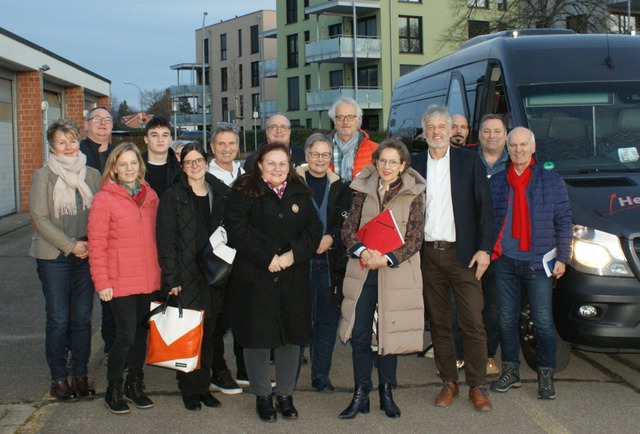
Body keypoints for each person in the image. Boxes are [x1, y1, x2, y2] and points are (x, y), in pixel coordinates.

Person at [225, 143, 322, 422]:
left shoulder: (300, 191)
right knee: (257, 339)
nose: (277, 169)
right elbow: (237, 230)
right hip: (256, 277)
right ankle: (263, 396)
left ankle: (285, 395)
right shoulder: (243, 190)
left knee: (291, 338)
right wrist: (268, 257)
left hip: (292, 277)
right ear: (259, 164)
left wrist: (293, 255)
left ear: (290, 165)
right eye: (271, 163)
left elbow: (314, 229)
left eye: (283, 163)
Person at [411, 105, 494, 412]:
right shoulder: (414, 164)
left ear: (450, 130)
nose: (436, 132)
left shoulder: (469, 161)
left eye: (441, 127)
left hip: (465, 256)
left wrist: (485, 248)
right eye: (430, 127)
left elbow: (485, 208)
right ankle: (448, 381)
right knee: (440, 323)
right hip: (428, 255)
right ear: (424, 131)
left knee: (473, 321)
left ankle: (478, 385)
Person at [338, 138, 425, 419]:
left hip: (394, 273)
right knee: (361, 334)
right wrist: (363, 253)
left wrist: (385, 259)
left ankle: (386, 393)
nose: (386, 166)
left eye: (393, 162)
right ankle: (360, 393)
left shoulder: (414, 194)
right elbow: (348, 229)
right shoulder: (362, 189)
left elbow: (414, 239)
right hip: (363, 273)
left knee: (389, 334)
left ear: (403, 166)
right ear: (375, 162)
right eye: (382, 160)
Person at [489, 127, 572, 400]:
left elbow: (563, 222)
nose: (518, 149)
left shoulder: (552, 181)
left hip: (539, 264)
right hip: (505, 262)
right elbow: (488, 222)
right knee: (506, 320)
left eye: (523, 144)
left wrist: (563, 257)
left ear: (533, 148)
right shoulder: (498, 182)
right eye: (513, 145)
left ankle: (545, 375)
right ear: (507, 149)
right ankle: (510, 371)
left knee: (544, 322)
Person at [30, 119, 102, 401]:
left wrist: (89, 245)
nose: (69, 146)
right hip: (54, 257)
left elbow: (100, 214)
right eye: (62, 142)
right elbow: (39, 218)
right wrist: (71, 246)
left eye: (72, 140)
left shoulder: (93, 175)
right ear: (53, 146)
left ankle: (81, 375)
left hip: (88, 254)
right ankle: (59, 378)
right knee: (59, 319)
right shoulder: (43, 176)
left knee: (83, 318)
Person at [156, 142, 230, 410]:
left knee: (209, 336)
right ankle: (188, 389)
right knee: (188, 336)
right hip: (185, 277)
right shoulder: (172, 196)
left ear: (206, 162)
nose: (195, 166)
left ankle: (204, 387)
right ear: (182, 166)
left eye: (199, 161)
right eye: (189, 162)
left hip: (212, 276)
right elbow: (165, 241)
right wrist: (171, 279)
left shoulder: (219, 192)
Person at [88, 143, 161, 415]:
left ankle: (135, 384)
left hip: (148, 279)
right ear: (114, 168)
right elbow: (96, 245)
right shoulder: (104, 198)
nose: (129, 169)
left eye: (133, 163)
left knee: (142, 336)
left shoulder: (151, 196)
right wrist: (102, 282)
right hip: (119, 281)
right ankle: (114, 388)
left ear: (139, 166)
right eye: (123, 164)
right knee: (125, 336)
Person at [296, 133, 351, 393]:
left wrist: (332, 238)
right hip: (299, 265)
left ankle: (321, 376)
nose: (320, 159)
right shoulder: (291, 183)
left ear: (331, 158)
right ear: (306, 155)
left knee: (327, 323)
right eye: (315, 154)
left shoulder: (342, 187)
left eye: (325, 155)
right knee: (298, 322)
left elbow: (348, 225)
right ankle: (290, 376)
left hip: (330, 267)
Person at [206, 124, 246, 395]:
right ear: (212, 147)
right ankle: (218, 370)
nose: (227, 148)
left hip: (243, 257)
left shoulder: (246, 176)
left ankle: (245, 369)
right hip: (216, 258)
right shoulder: (203, 176)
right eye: (221, 144)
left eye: (231, 143)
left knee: (244, 314)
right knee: (217, 319)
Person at [79, 106, 116, 366]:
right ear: (87, 124)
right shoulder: (77, 152)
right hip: (81, 239)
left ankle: (112, 349)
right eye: (97, 119)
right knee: (79, 307)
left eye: (107, 119)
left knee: (112, 301)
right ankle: (76, 357)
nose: (102, 123)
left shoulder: (119, 154)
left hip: (113, 238)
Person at [327, 97, 378, 180]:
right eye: (340, 117)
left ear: (358, 120)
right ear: (334, 120)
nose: (345, 122)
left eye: (350, 117)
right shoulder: (322, 148)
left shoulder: (375, 150)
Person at [142, 116, 182, 199]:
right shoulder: (135, 169)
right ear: (146, 139)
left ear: (170, 139)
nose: (160, 139)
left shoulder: (180, 171)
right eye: (154, 135)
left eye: (165, 135)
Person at [477, 114, 510, 179]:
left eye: (497, 131)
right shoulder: (465, 158)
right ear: (479, 134)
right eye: (487, 131)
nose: (492, 136)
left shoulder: (515, 161)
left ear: (505, 134)